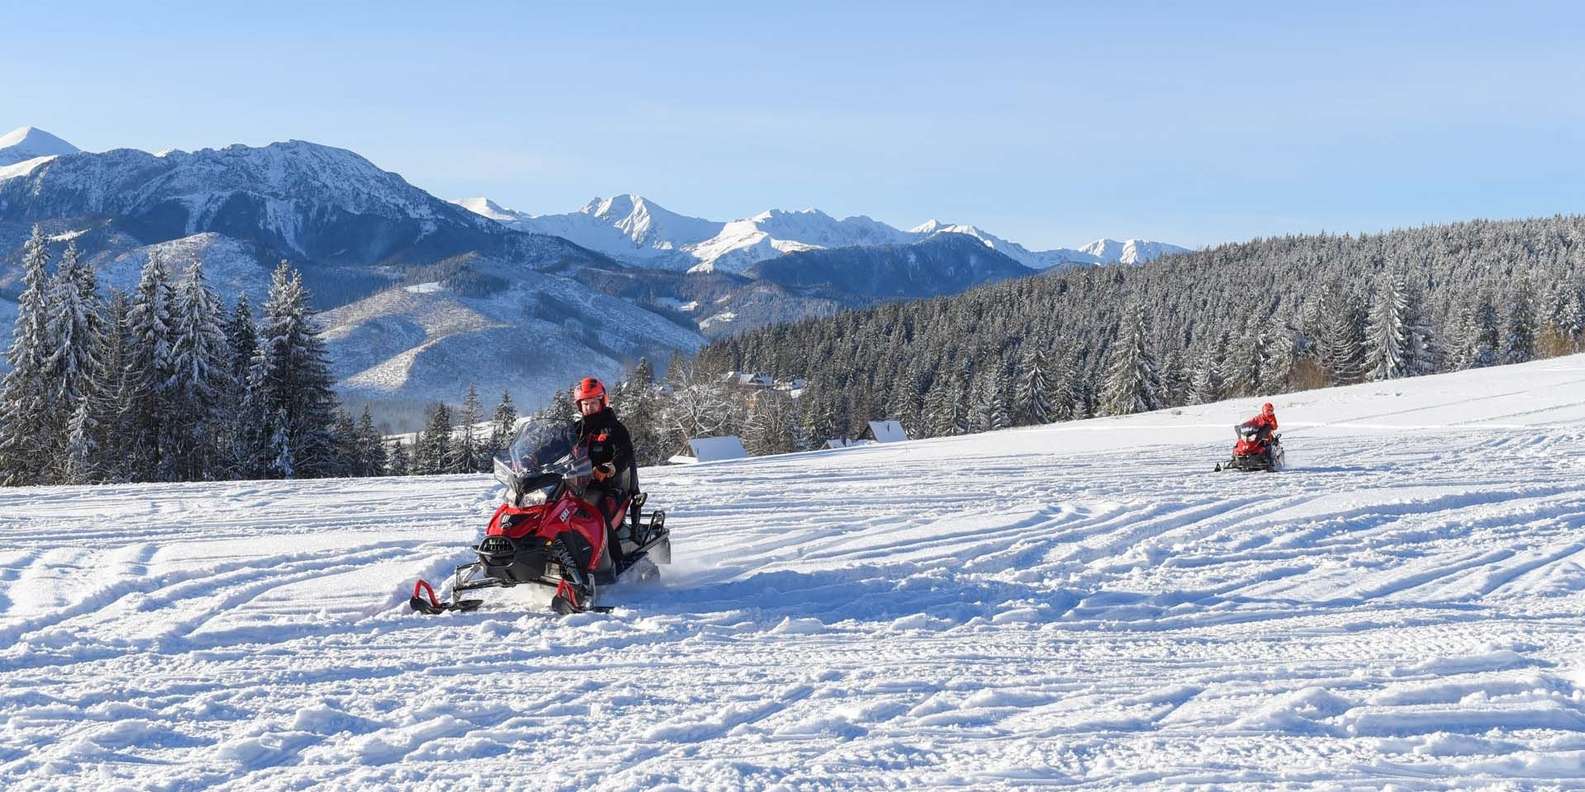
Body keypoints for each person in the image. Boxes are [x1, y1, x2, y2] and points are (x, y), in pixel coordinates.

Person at [570, 377, 637, 539]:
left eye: (593, 403)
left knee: (598, 522)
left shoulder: (614, 428)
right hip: (577, 485)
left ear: (602, 402)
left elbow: (625, 452)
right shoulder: (576, 429)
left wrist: (609, 467)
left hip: (609, 485)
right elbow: (553, 445)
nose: (589, 408)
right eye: (585, 404)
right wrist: (532, 456)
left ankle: (615, 560)